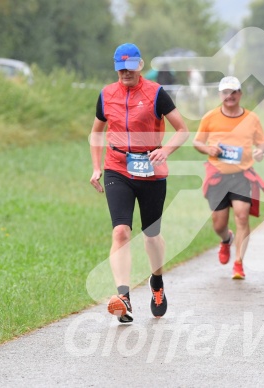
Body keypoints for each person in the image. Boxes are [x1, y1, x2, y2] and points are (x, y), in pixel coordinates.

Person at [89, 43, 190, 323]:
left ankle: (156, 282)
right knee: (120, 231)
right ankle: (123, 297)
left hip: (151, 171)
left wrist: (165, 150)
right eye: (120, 68)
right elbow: (96, 134)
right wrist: (97, 167)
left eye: (130, 66)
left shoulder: (156, 93)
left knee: (151, 235)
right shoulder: (106, 95)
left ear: (140, 65)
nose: (125, 72)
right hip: (117, 168)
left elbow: (182, 130)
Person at [193, 76, 264, 280]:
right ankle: (226, 239)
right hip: (218, 175)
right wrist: (208, 148)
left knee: (242, 216)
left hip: (242, 175)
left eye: (234, 92)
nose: (230, 96)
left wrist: (260, 152)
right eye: (226, 92)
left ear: (240, 94)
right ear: (220, 95)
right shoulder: (210, 117)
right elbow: (197, 142)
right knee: (219, 224)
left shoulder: (252, 118)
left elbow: (262, 143)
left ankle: (239, 264)